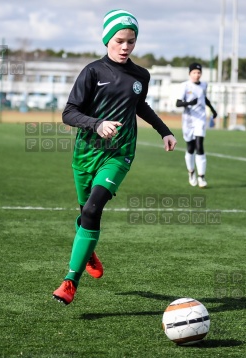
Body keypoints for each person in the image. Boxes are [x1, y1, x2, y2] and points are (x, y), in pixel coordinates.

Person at [52, 9, 177, 305]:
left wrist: (165, 131)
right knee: (86, 215)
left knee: (94, 210)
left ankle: (70, 281)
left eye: (131, 42)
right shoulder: (93, 72)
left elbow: (140, 105)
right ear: (107, 40)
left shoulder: (140, 75)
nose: (125, 47)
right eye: (119, 40)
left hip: (119, 154)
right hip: (86, 153)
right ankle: (88, 248)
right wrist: (96, 124)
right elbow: (69, 113)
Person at [175, 63, 217, 188]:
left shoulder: (204, 85)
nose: (197, 75)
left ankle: (202, 177)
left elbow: (204, 98)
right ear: (190, 74)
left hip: (200, 118)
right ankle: (191, 172)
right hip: (188, 120)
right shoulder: (185, 86)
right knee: (190, 147)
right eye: (194, 72)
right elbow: (178, 103)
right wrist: (188, 103)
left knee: (200, 145)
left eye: (199, 72)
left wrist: (213, 109)